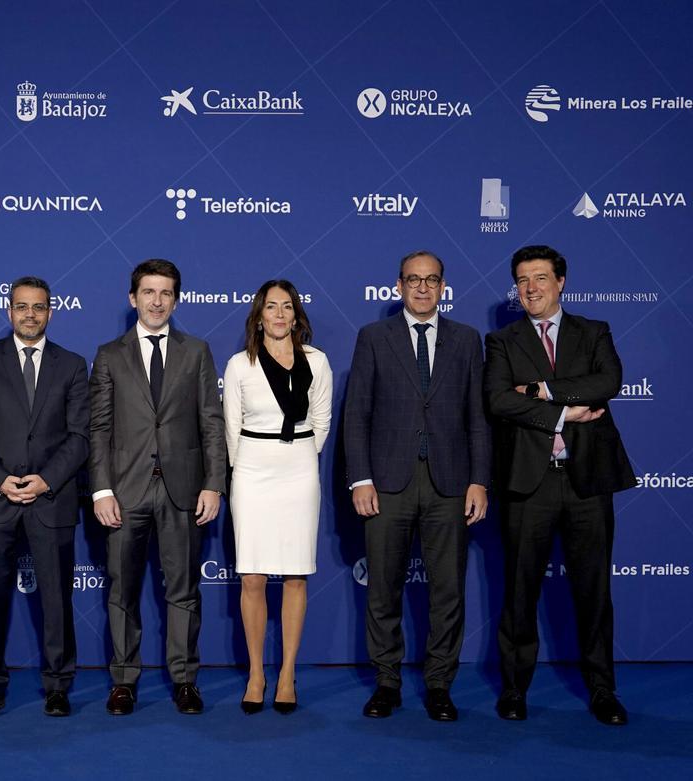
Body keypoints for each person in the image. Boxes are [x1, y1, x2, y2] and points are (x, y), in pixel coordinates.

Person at [485, 245, 634, 726]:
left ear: (561, 282)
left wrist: (542, 390)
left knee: (594, 591)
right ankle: (513, 689)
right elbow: (498, 401)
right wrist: (565, 412)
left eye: (541, 278)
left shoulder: (594, 332)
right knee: (519, 592)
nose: (531, 287)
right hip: (529, 485)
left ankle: (602, 689)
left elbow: (607, 381)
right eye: (523, 279)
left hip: (587, 480)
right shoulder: (503, 341)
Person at [343, 250, 490, 722]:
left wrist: (479, 481)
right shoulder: (373, 337)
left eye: (431, 280)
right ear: (399, 286)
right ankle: (386, 682)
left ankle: (440, 684)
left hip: (450, 483)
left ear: (443, 286)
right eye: (413, 280)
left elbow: (478, 419)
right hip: (387, 483)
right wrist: (360, 479)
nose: (422, 288)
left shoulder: (467, 340)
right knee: (383, 588)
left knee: (448, 591)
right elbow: (356, 415)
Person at [89, 258, 228, 716]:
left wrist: (213, 484)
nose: (156, 301)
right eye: (148, 292)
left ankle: (185, 679)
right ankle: (123, 681)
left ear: (176, 299)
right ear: (133, 299)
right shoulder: (109, 354)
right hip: (124, 493)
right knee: (121, 591)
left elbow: (211, 422)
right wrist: (101, 489)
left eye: (166, 293)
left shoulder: (197, 351)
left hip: (183, 490)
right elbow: (100, 430)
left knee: (184, 590)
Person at [0, 276, 90, 719]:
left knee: (55, 600)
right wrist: (0, 480)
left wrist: (45, 480)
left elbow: (79, 437)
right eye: (21, 307)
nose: (30, 314)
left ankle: (58, 685)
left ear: (50, 312)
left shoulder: (73, 364)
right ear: (9, 310)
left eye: (38, 307)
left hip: (50, 498)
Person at [223, 280, 331, 715]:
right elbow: (230, 428)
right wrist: (249, 464)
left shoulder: (317, 361)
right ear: (259, 315)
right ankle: (256, 673)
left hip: (300, 469)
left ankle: (287, 673)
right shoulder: (239, 365)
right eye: (272, 307)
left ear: (296, 314)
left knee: (296, 575)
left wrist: (301, 452)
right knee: (252, 576)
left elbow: (321, 420)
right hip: (251, 469)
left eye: (288, 306)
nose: (280, 314)